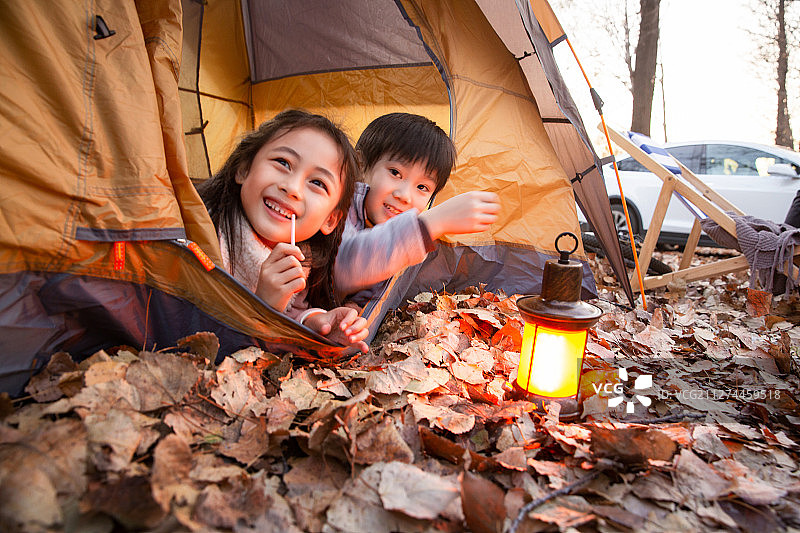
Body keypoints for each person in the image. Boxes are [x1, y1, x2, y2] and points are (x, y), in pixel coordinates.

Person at [199, 109, 368, 351]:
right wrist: (264, 305)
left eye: (318, 183)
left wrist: (316, 322)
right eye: (283, 163)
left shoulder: (301, 257)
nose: (292, 188)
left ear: (330, 220)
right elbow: (194, 333)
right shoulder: (206, 236)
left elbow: (293, 309)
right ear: (244, 168)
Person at [334, 112, 500, 307]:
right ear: (360, 165)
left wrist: (353, 310)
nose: (404, 196)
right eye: (395, 173)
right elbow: (345, 266)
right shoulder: (337, 209)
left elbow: (372, 283)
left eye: (422, 187)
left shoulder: (395, 229)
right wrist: (433, 222)